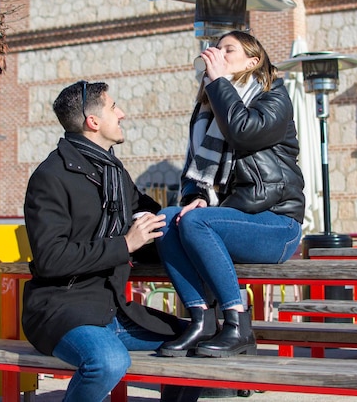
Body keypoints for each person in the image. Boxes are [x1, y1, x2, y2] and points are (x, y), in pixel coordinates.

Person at [22, 80, 201, 402]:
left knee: (200, 342)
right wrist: (126, 245)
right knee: (109, 362)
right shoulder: (50, 177)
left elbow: (149, 214)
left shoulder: (112, 172)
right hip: (61, 311)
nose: (123, 113)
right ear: (93, 122)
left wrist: (190, 215)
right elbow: (50, 259)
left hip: (113, 310)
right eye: (114, 106)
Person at [155, 30, 306, 358]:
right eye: (216, 48)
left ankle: (237, 325)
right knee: (166, 219)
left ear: (252, 61)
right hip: (228, 219)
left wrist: (219, 81)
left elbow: (243, 131)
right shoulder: (208, 108)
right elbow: (195, 168)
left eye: (229, 49)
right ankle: (201, 320)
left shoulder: (274, 96)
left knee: (196, 223)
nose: (218, 54)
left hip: (276, 224)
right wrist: (195, 195)